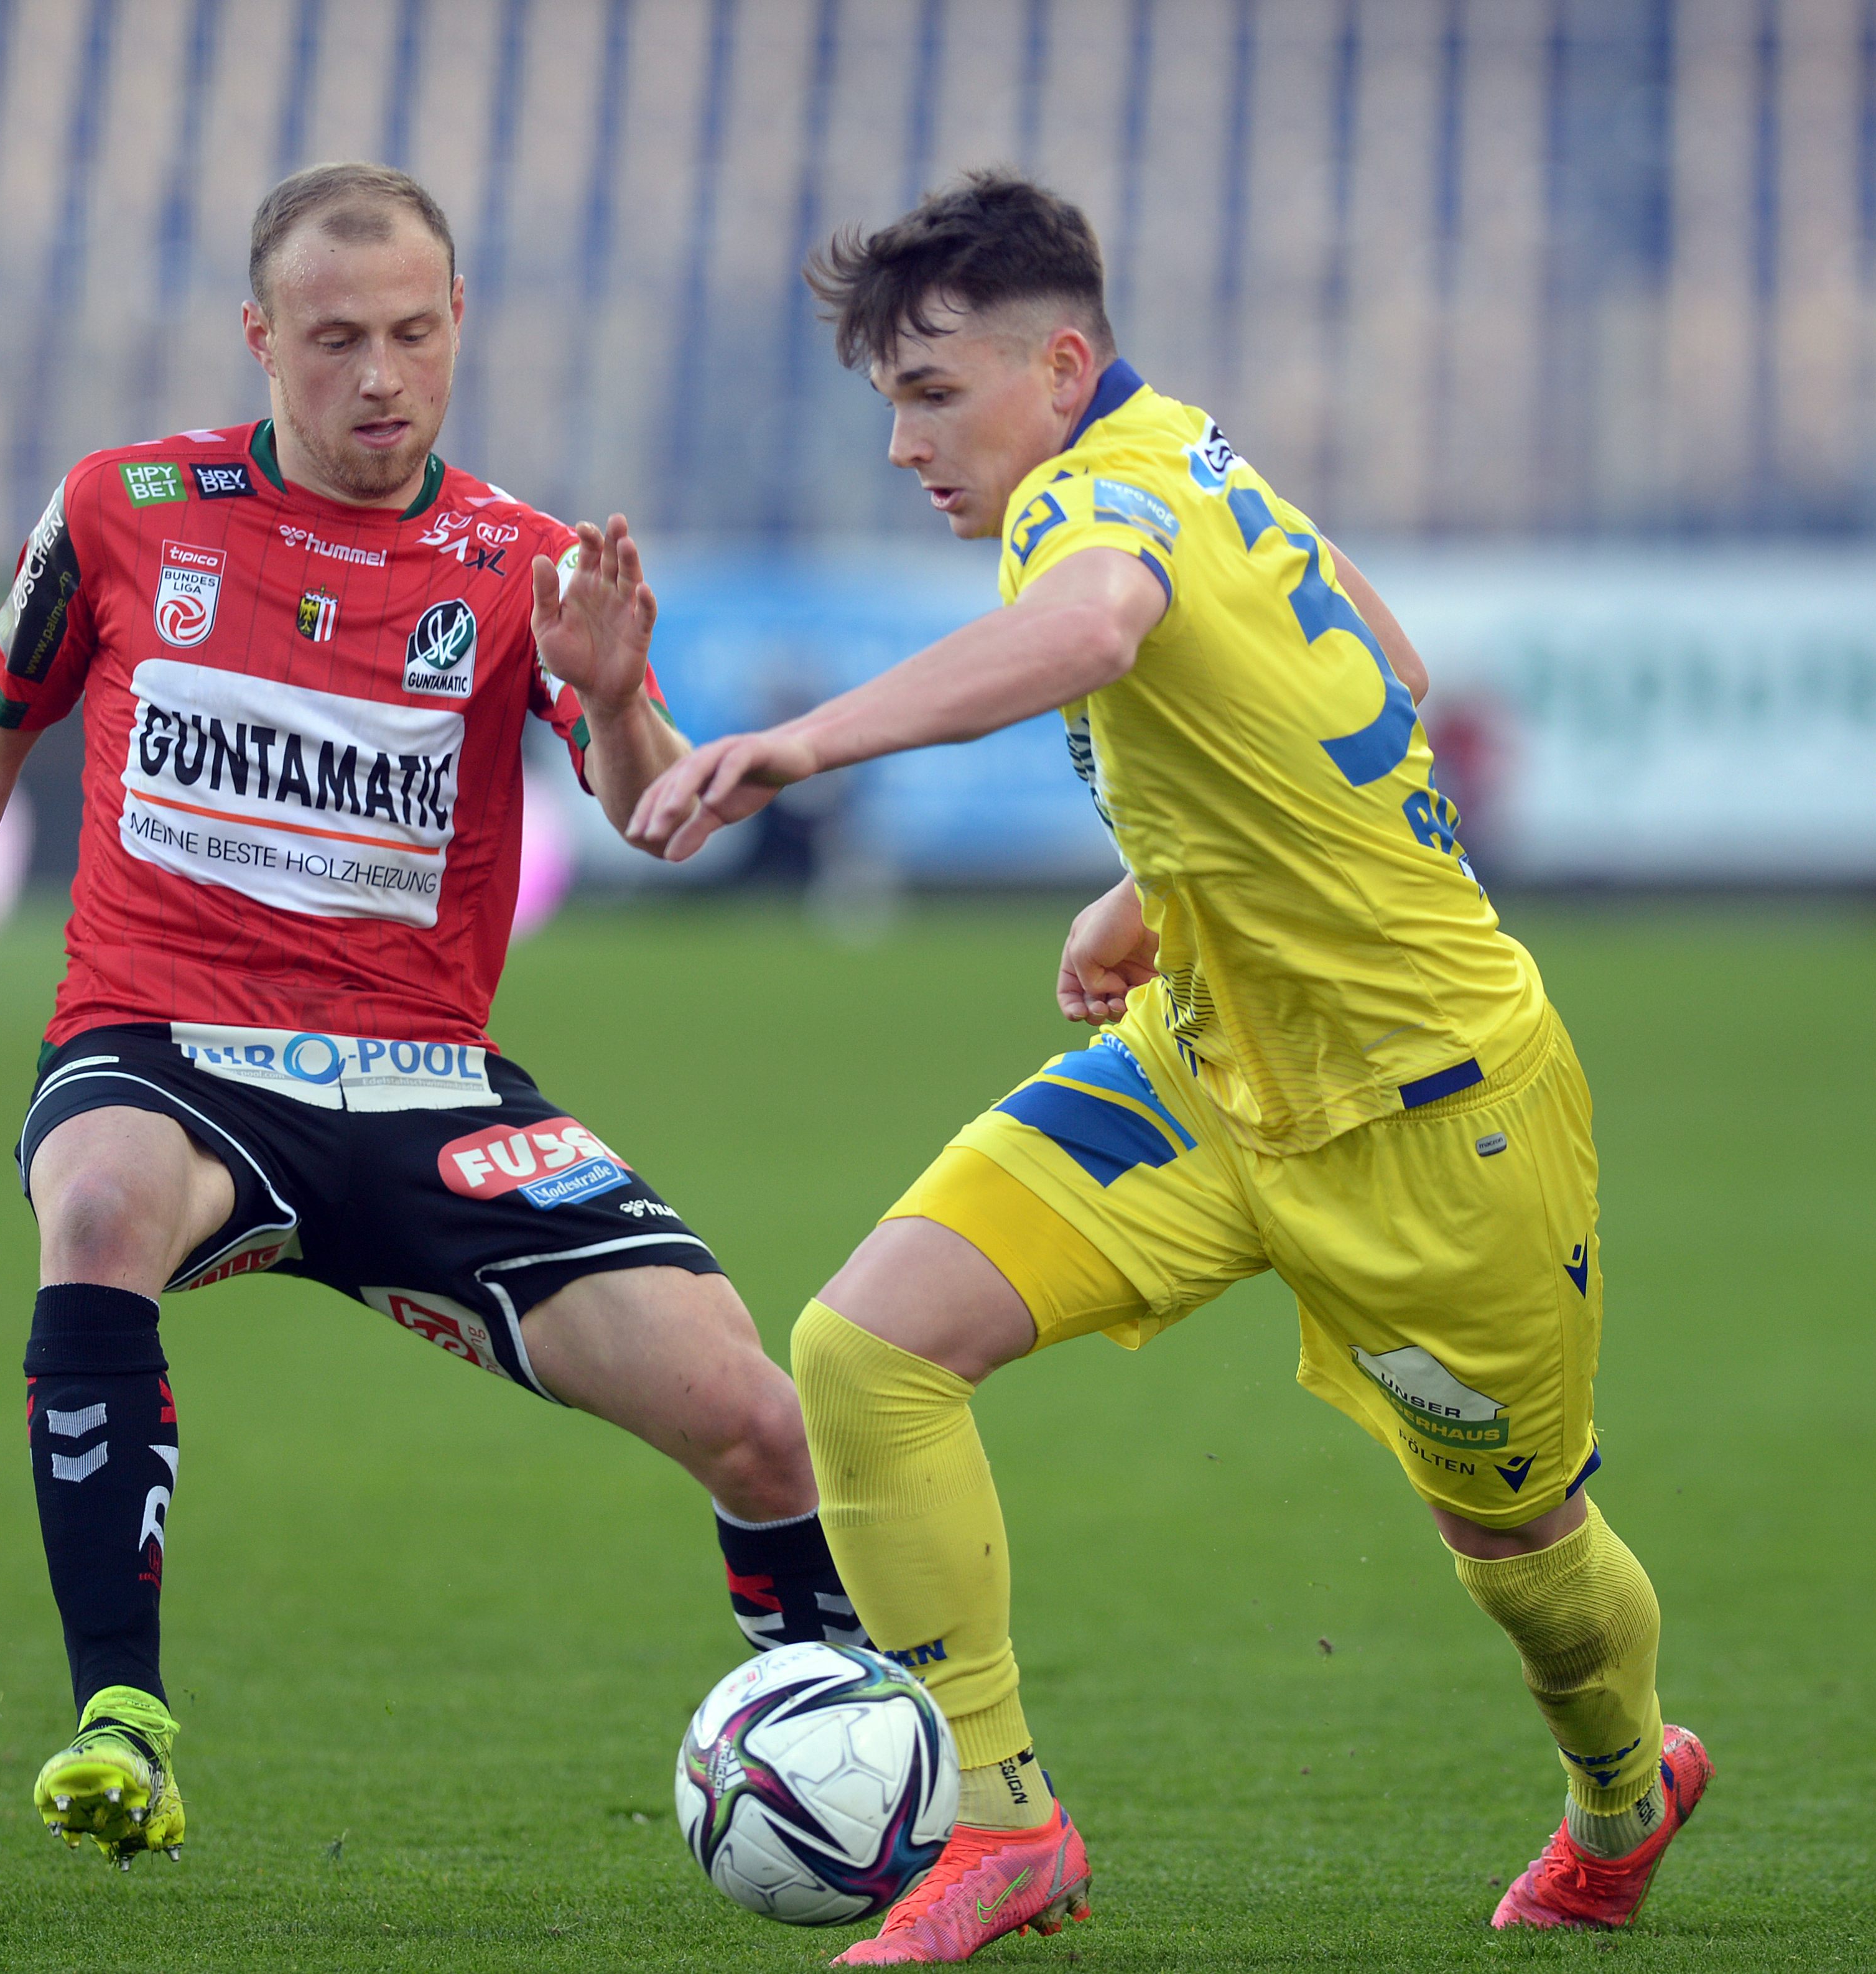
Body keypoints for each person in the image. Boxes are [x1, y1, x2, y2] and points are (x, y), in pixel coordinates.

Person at [629, 171, 1711, 1962]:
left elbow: (1093, 630)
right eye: (889, 400)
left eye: (933, 391)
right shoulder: (1187, 449)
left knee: (1525, 1564)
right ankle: (1001, 1823)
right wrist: (1160, 887)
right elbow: (1396, 665)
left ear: (1060, 364)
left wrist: (806, 742)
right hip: (1204, 1070)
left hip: (1437, 1125)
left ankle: (1620, 1788)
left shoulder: (1095, 500)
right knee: (864, 1350)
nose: (904, 441)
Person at [0, 163, 859, 1870]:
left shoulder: (528, 569)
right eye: (336, 340)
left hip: (422, 1085)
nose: (380, 377)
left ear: (459, 325)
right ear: (262, 339)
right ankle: (121, 1713)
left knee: (760, 1416)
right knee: (103, 1201)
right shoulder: (123, 511)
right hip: (161, 1045)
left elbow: (656, 816)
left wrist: (624, 690)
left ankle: (849, 1750)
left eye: (414, 335)